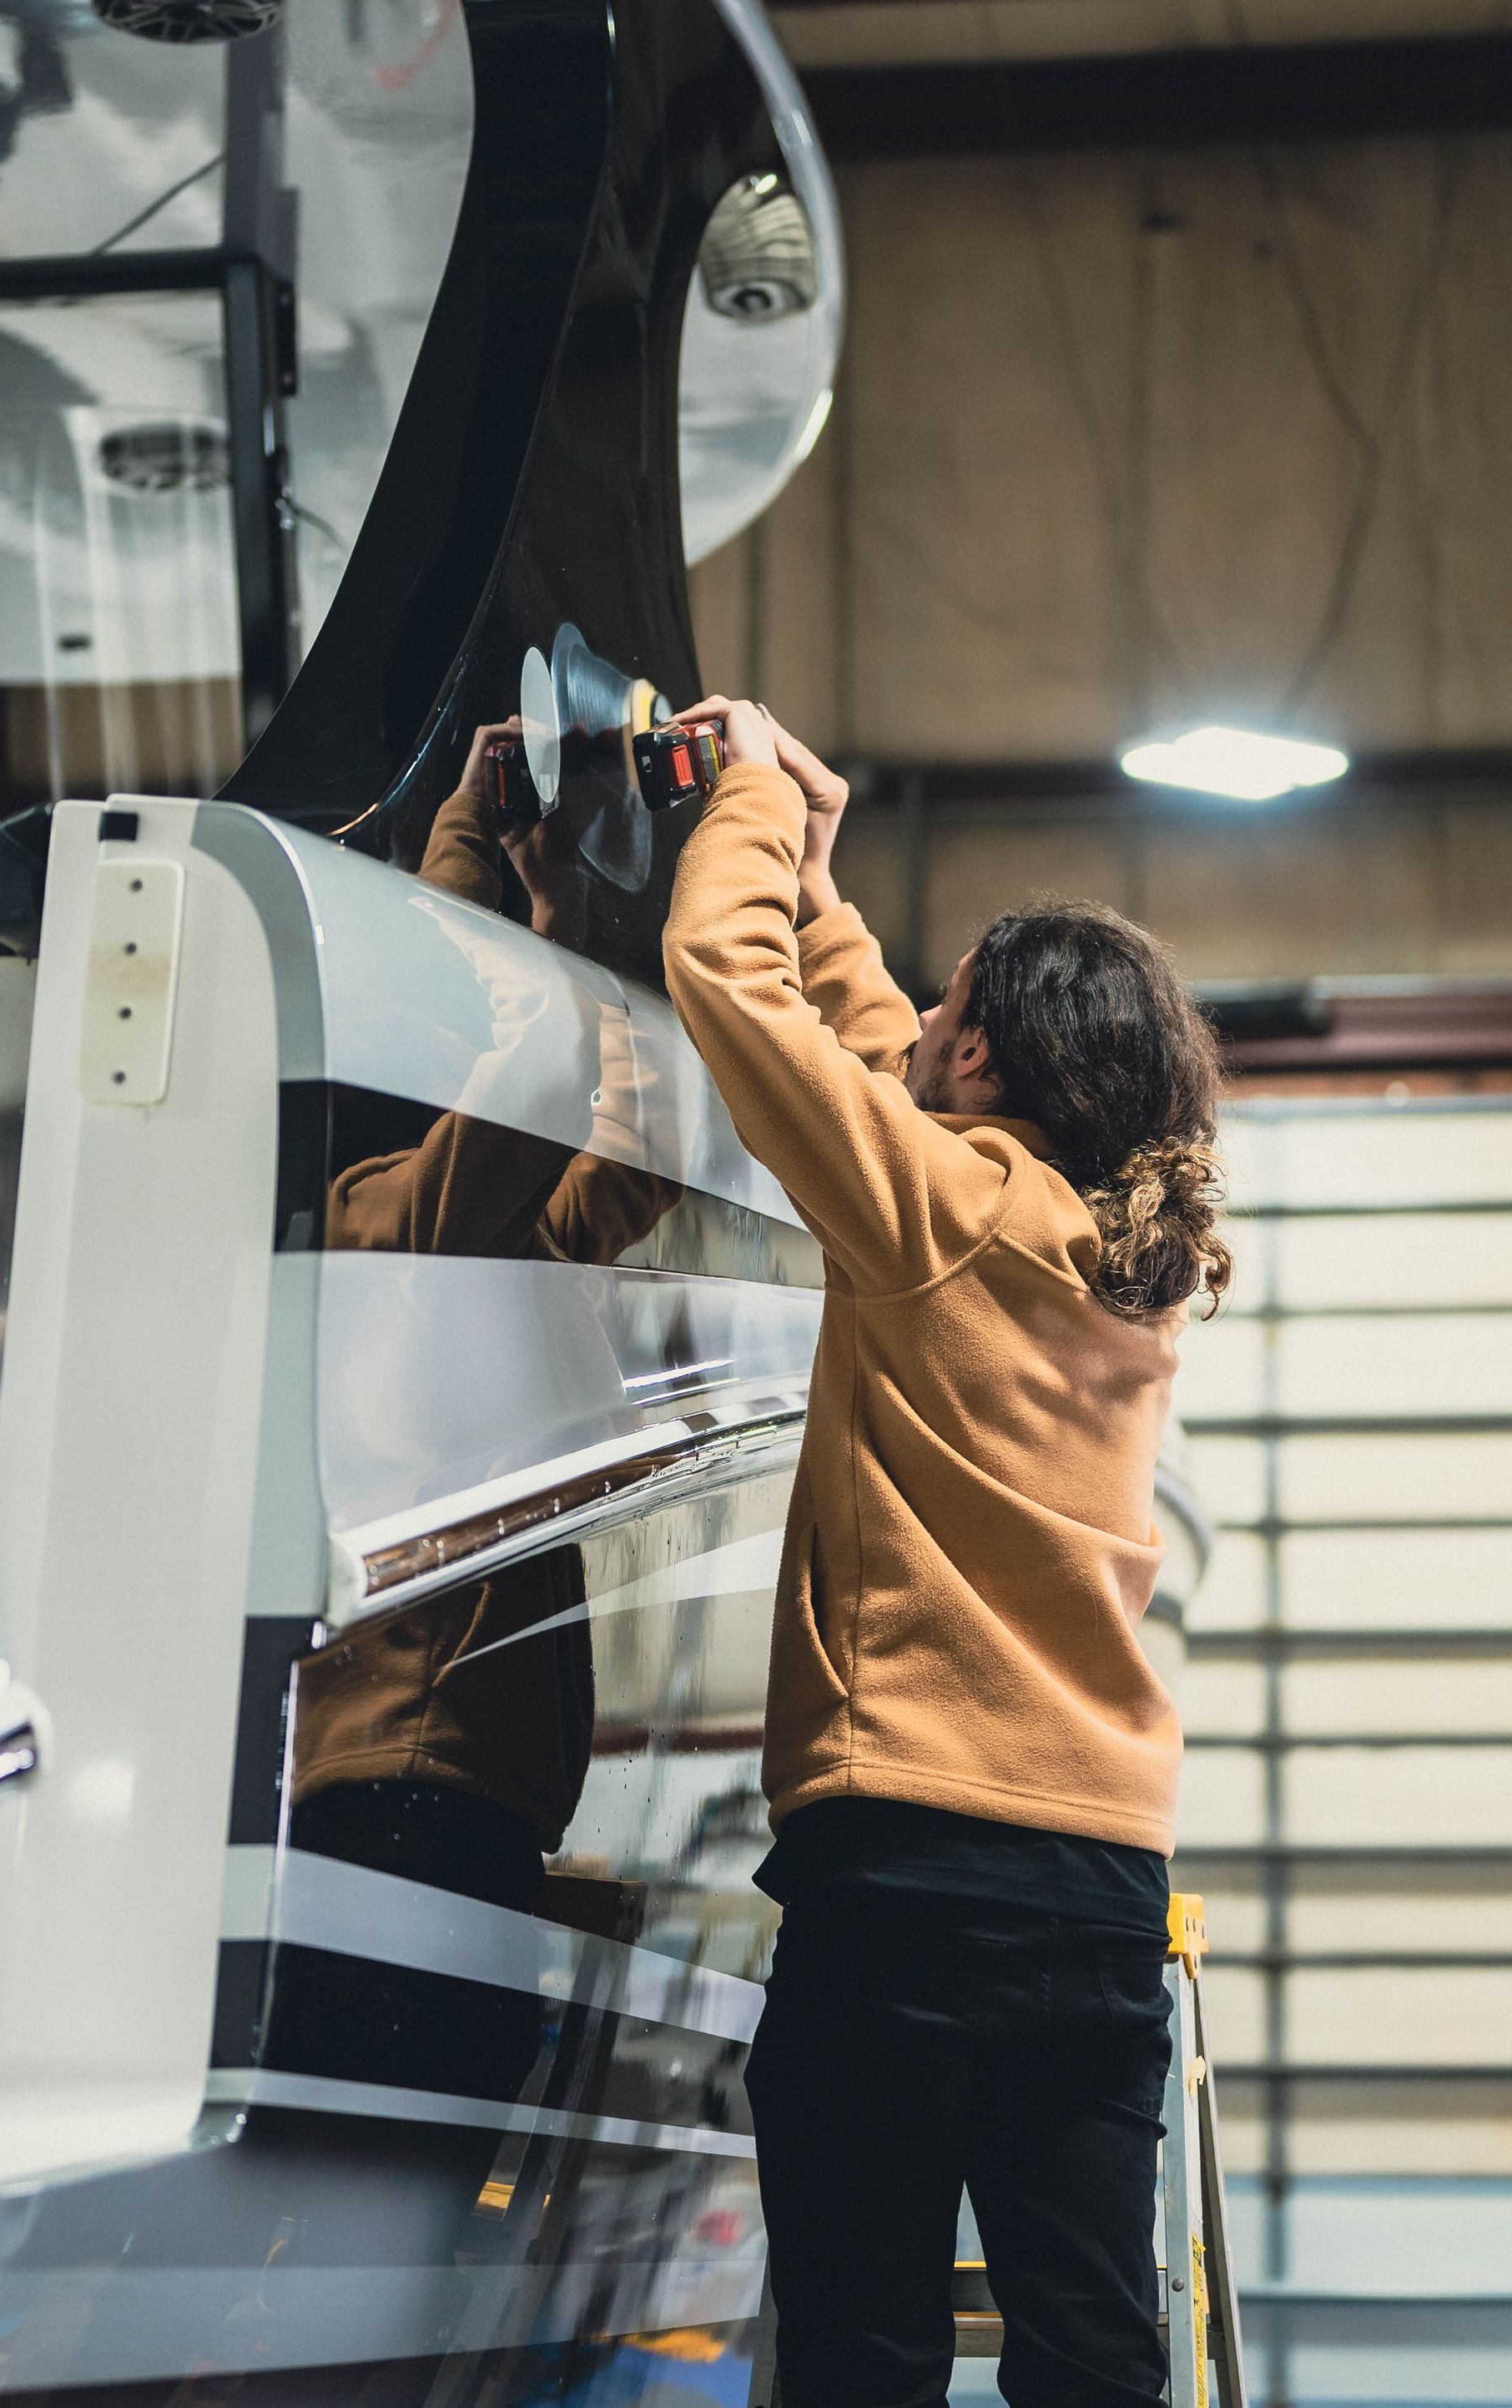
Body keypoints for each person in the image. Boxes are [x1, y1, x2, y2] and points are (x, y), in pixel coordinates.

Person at [660, 699, 1232, 2408]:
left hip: (909, 1877)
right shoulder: (1114, 1263)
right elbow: (884, 1068)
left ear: (980, 1059)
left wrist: (751, 804)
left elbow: (723, 979)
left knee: (866, 2356)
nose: (914, 1020)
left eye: (945, 1010)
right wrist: (824, 884)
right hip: (1100, 1887)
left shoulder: (936, 1218)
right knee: (1092, 2357)